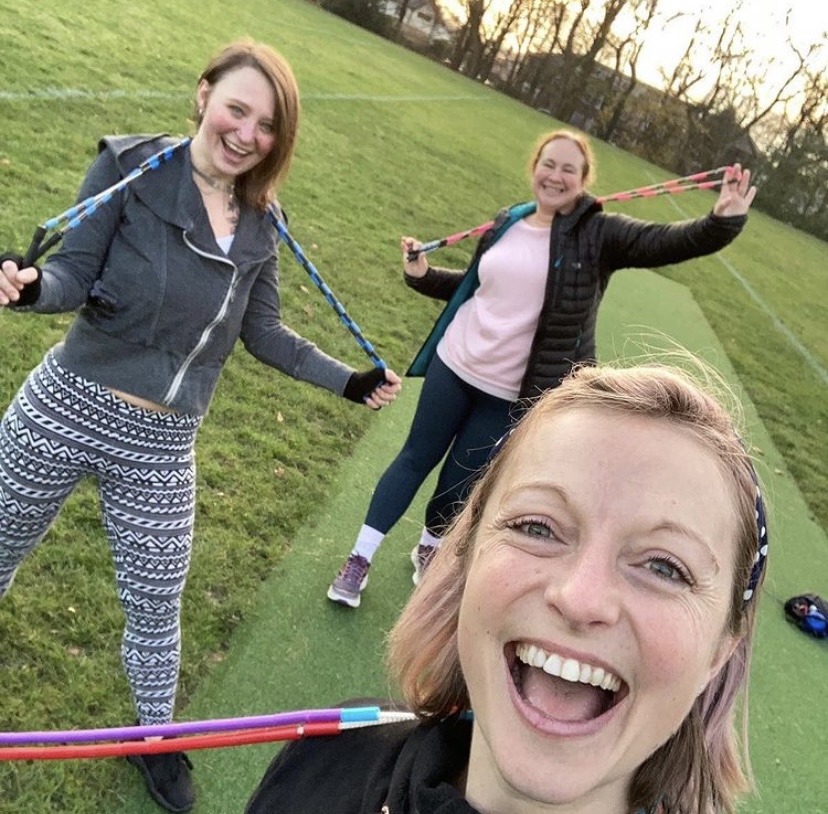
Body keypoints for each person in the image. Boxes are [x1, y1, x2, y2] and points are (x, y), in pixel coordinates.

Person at [0, 39, 400, 813]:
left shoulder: (261, 225)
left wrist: (347, 383)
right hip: (66, 403)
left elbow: (266, 334)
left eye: (267, 123)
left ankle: (155, 740)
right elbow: (72, 277)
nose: (247, 132)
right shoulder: (131, 168)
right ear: (204, 95)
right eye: (237, 108)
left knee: (157, 606)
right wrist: (27, 287)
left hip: (162, 444)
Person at [248, 360, 770, 814]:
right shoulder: (325, 755)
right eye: (537, 528)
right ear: (467, 557)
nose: (580, 598)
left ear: (719, 653)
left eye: (664, 567)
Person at [327, 128, 757, 608]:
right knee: (413, 459)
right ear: (535, 168)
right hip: (456, 364)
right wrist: (424, 278)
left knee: (459, 484)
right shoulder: (508, 221)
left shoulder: (599, 234)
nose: (555, 175)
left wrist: (722, 222)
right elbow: (479, 287)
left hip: (509, 390)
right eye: (548, 164)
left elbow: (666, 242)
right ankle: (359, 557)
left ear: (583, 179)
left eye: (568, 169)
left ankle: (429, 548)